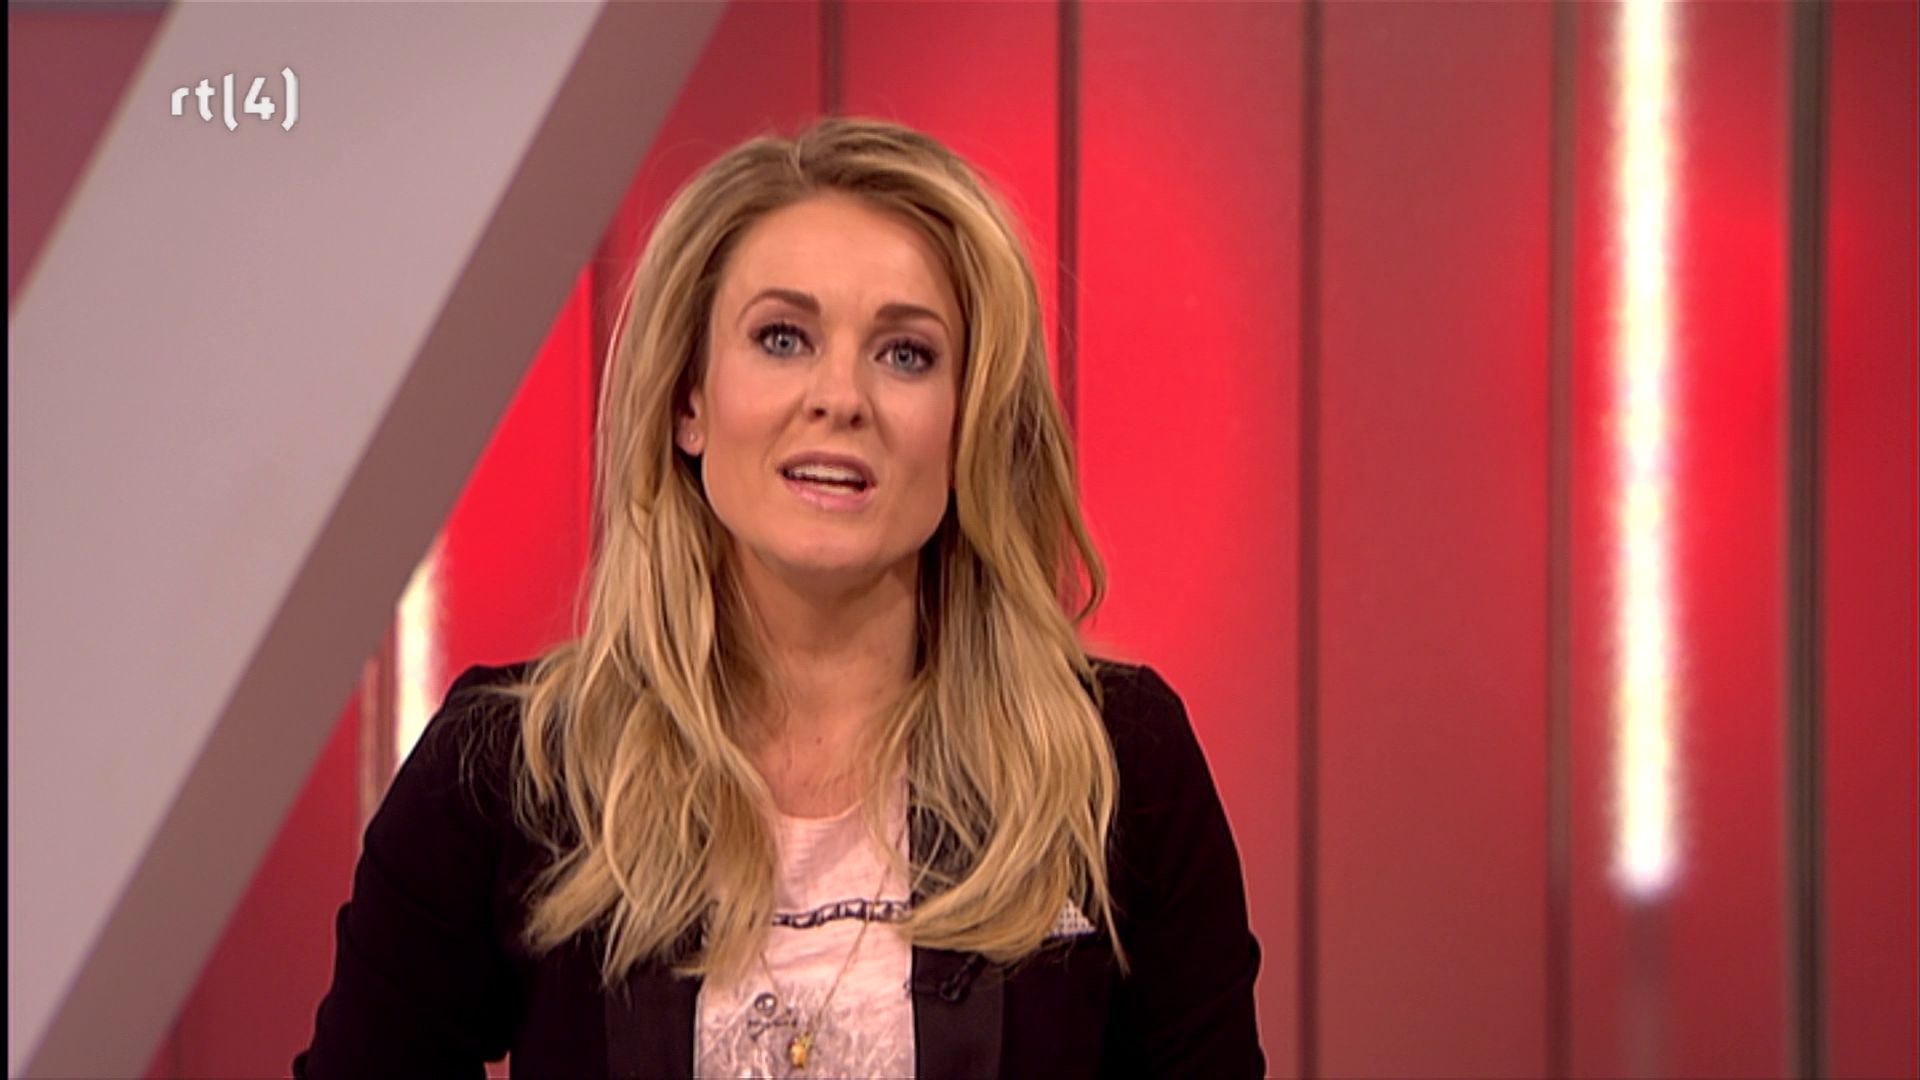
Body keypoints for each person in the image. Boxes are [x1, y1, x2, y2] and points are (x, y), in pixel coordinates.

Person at [296, 116, 1262, 1079]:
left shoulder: (1113, 767)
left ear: (969, 422)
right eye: (783, 338)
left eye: (906, 354)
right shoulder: (511, 772)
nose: (841, 397)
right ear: (689, 402)